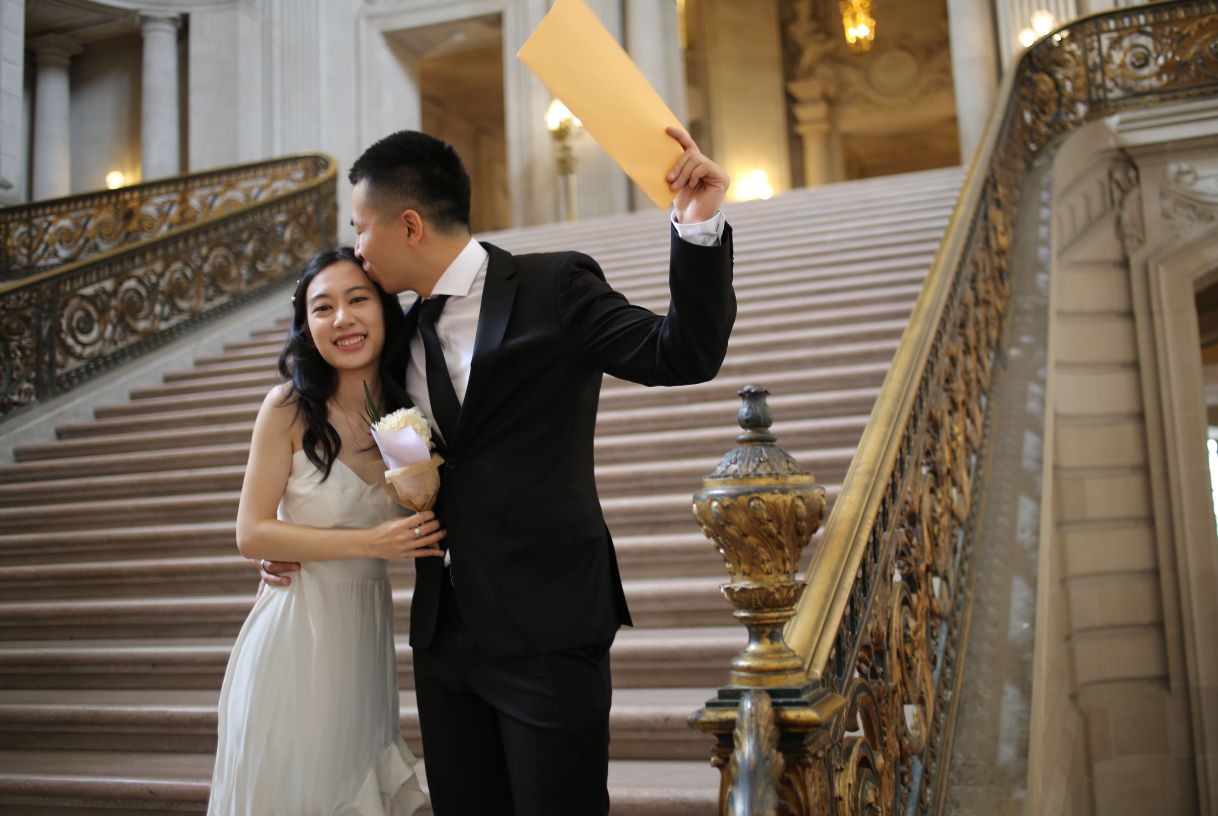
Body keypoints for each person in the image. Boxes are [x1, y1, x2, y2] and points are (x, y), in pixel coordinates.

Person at [263, 127, 735, 814]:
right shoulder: (391, 337)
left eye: (362, 228)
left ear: (411, 224)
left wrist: (697, 228)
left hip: (548, 624)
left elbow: (681, 354)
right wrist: (287, 539)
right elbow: (347, 442)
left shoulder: (555, 285)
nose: (358, 248)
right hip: (444, 638)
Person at [207, 248, 444, 816]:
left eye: (358, 300)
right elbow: (251, 532)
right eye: (323, 308)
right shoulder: (288, 408)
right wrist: (370, 544)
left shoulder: (410, 407)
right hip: (296, 630)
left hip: (364, 628)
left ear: (385, 310)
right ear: (306, 325)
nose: (343, 319)